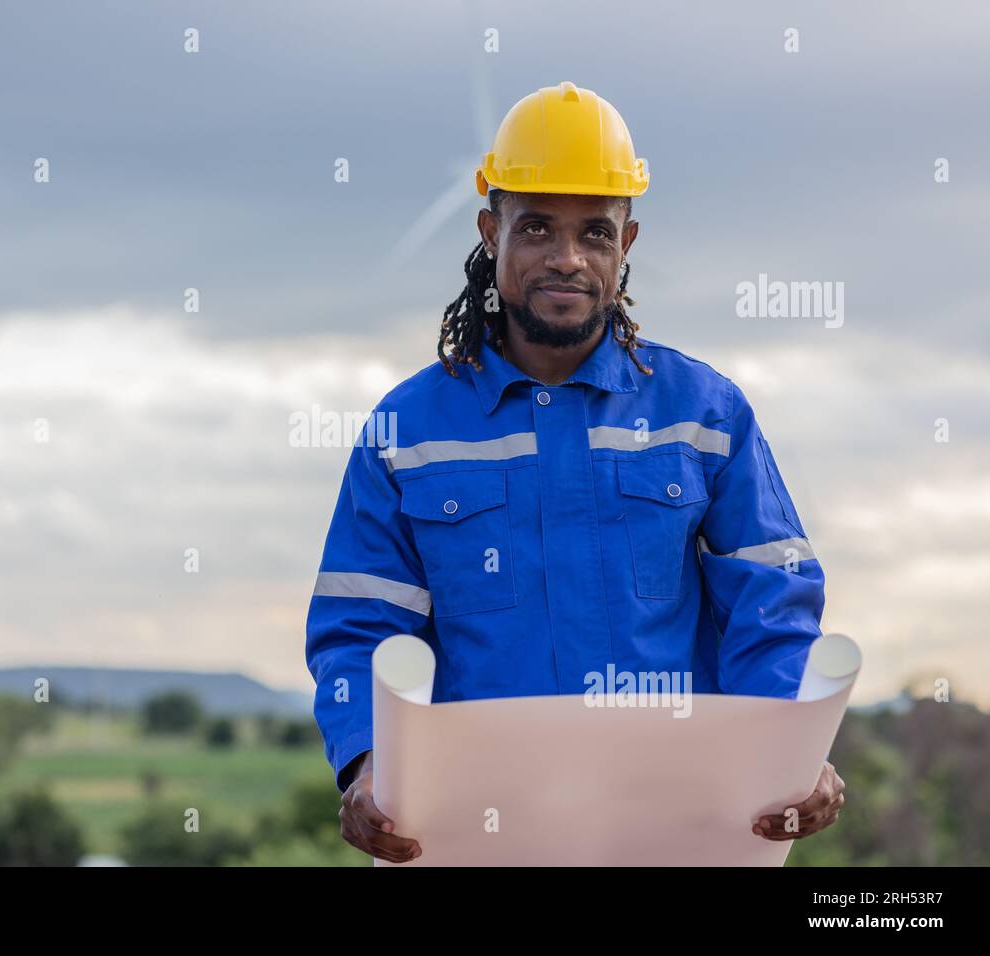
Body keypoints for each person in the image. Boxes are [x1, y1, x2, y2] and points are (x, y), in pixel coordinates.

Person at [305, 82, 844, 863]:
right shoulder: (406, 432)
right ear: (492, 233)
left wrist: (791, 755)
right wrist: (365, 763)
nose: (567, 258)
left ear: (627, 243)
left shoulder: (705, 414)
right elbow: (359, 628)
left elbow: (773, 605)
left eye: (595, 231)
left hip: (678, 833)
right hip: (478, 837)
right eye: (536, 228)